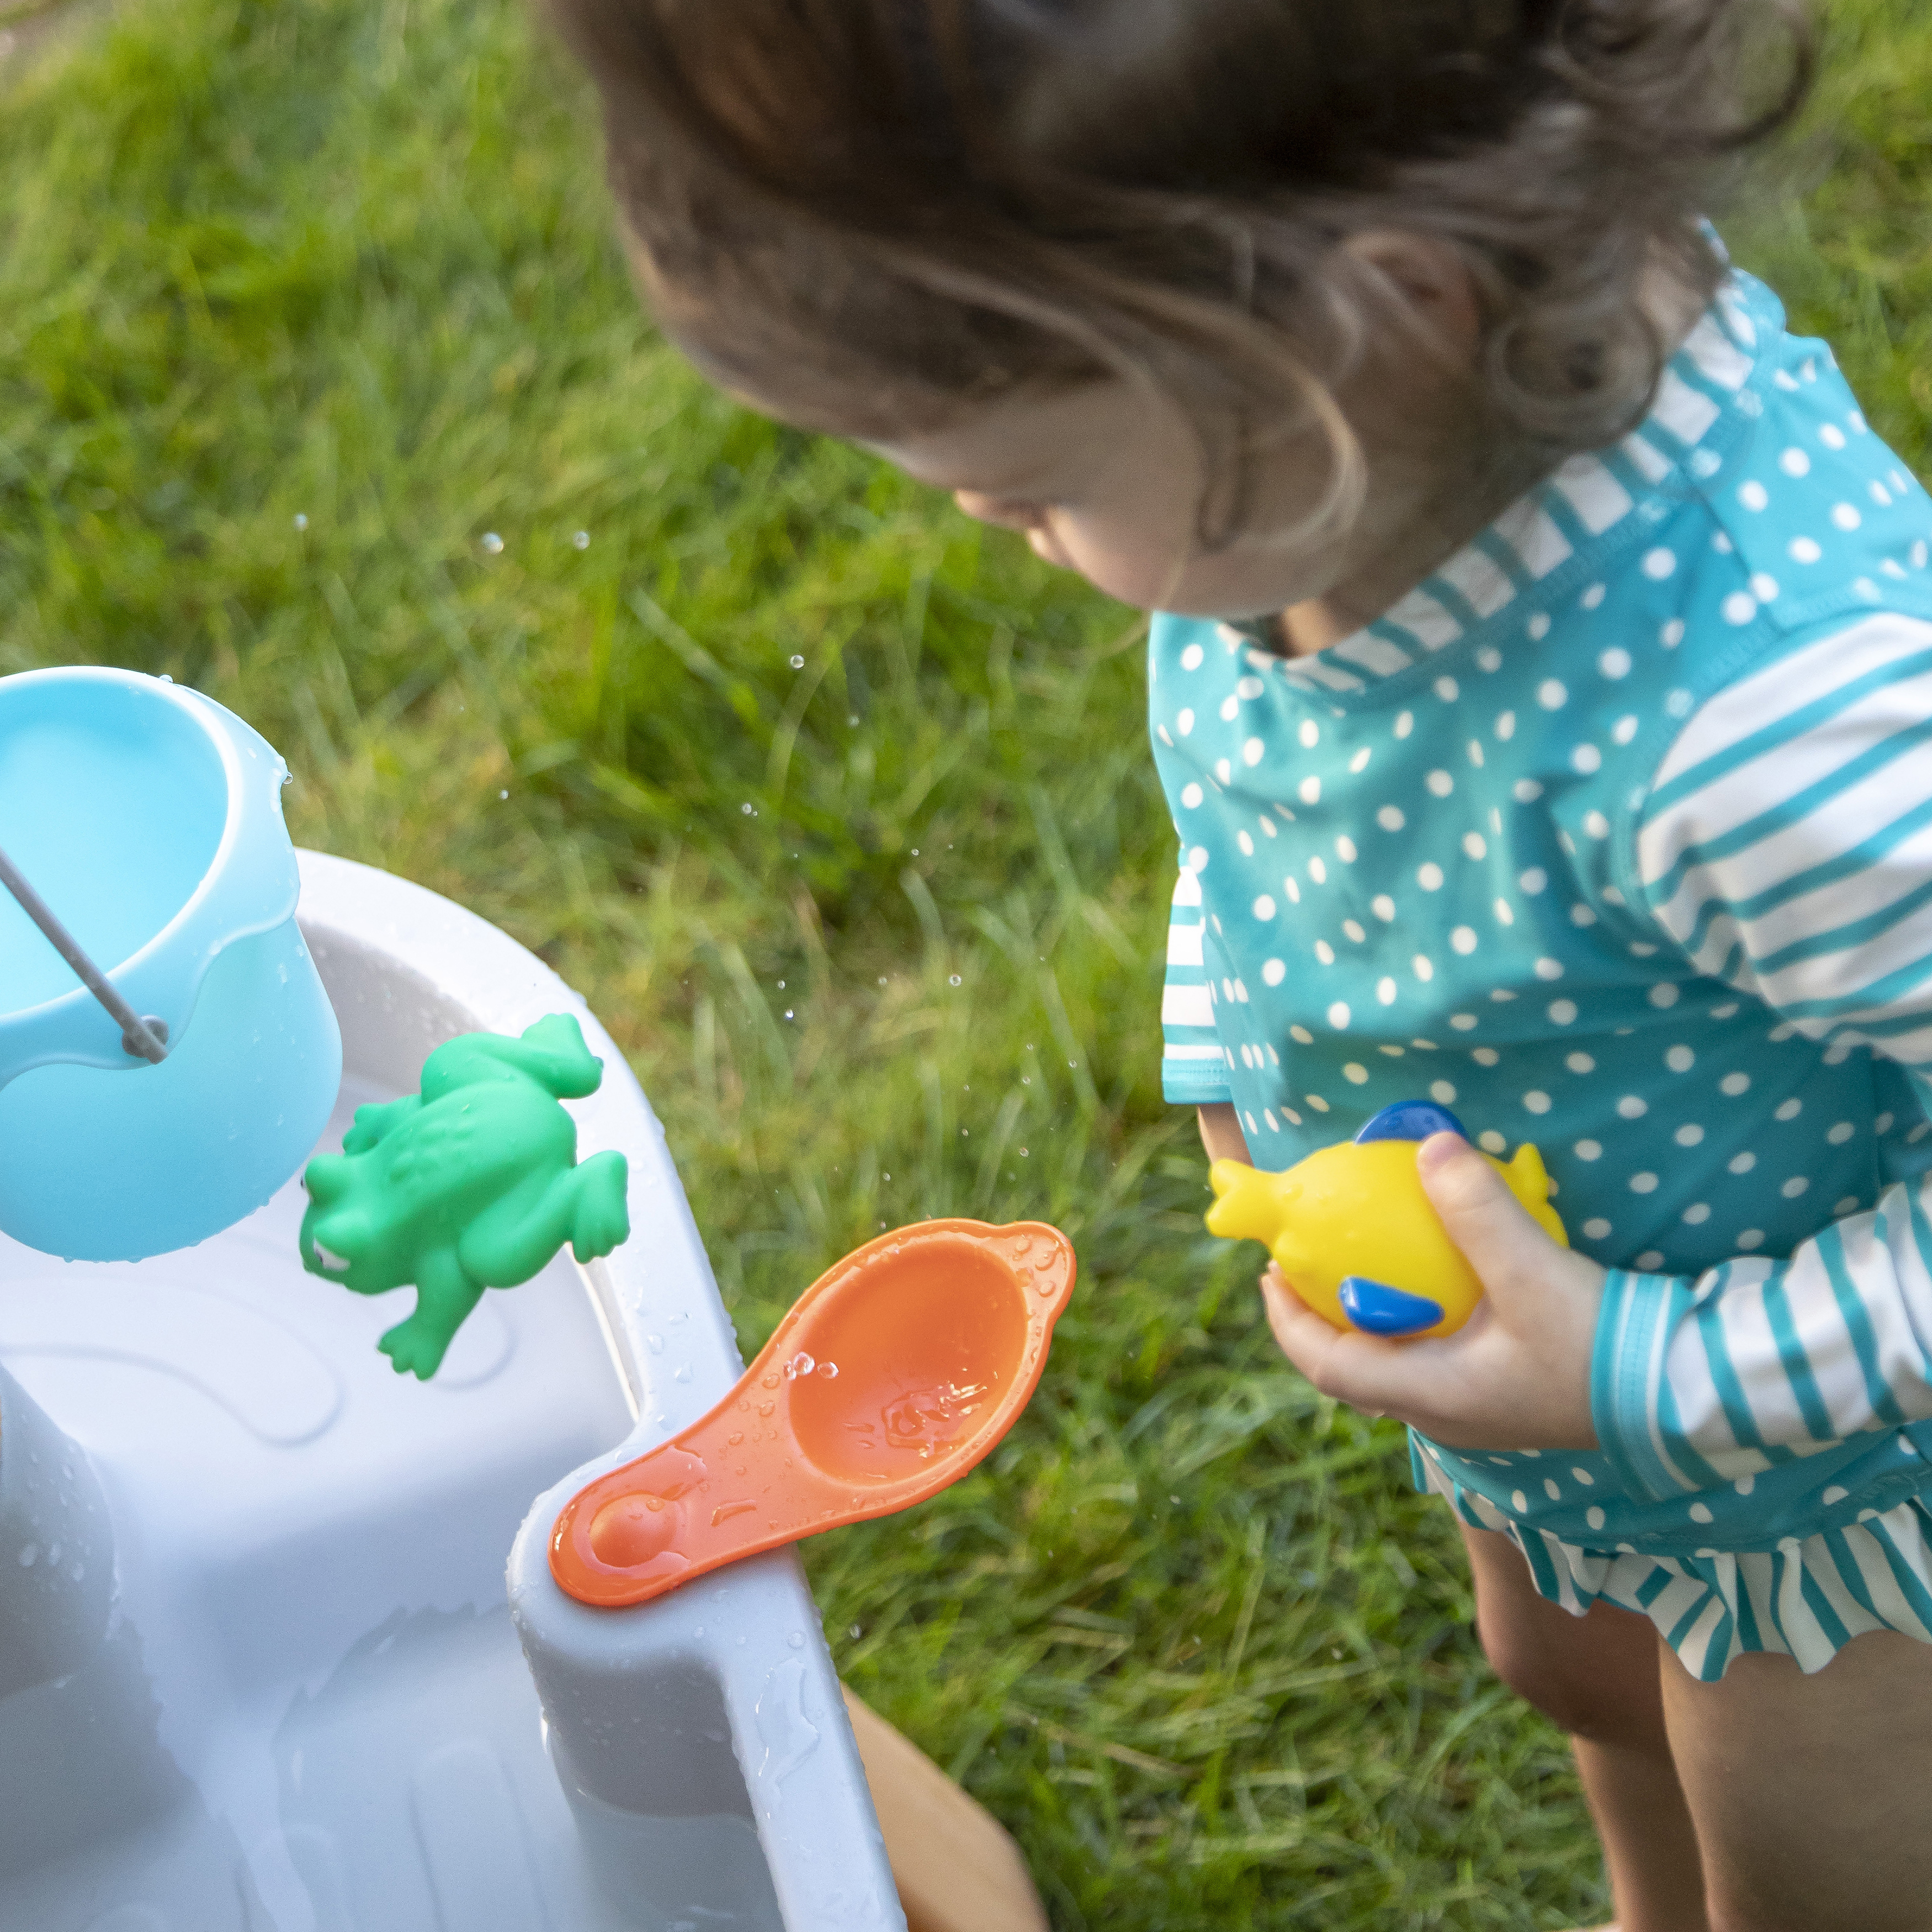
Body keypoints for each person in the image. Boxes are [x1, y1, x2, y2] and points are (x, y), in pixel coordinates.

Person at [539, 3, 1932, 1925]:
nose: (985, 523)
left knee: (1797, 1846)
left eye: (1026, 489)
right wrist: (1226, 1032)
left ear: (1382, 311)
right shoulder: (1326, 476)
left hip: (1835, 1495)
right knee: (1573, 1670)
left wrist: (1639, 1365)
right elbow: (1258, 791)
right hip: (1561, 1412)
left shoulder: (1778, 729)